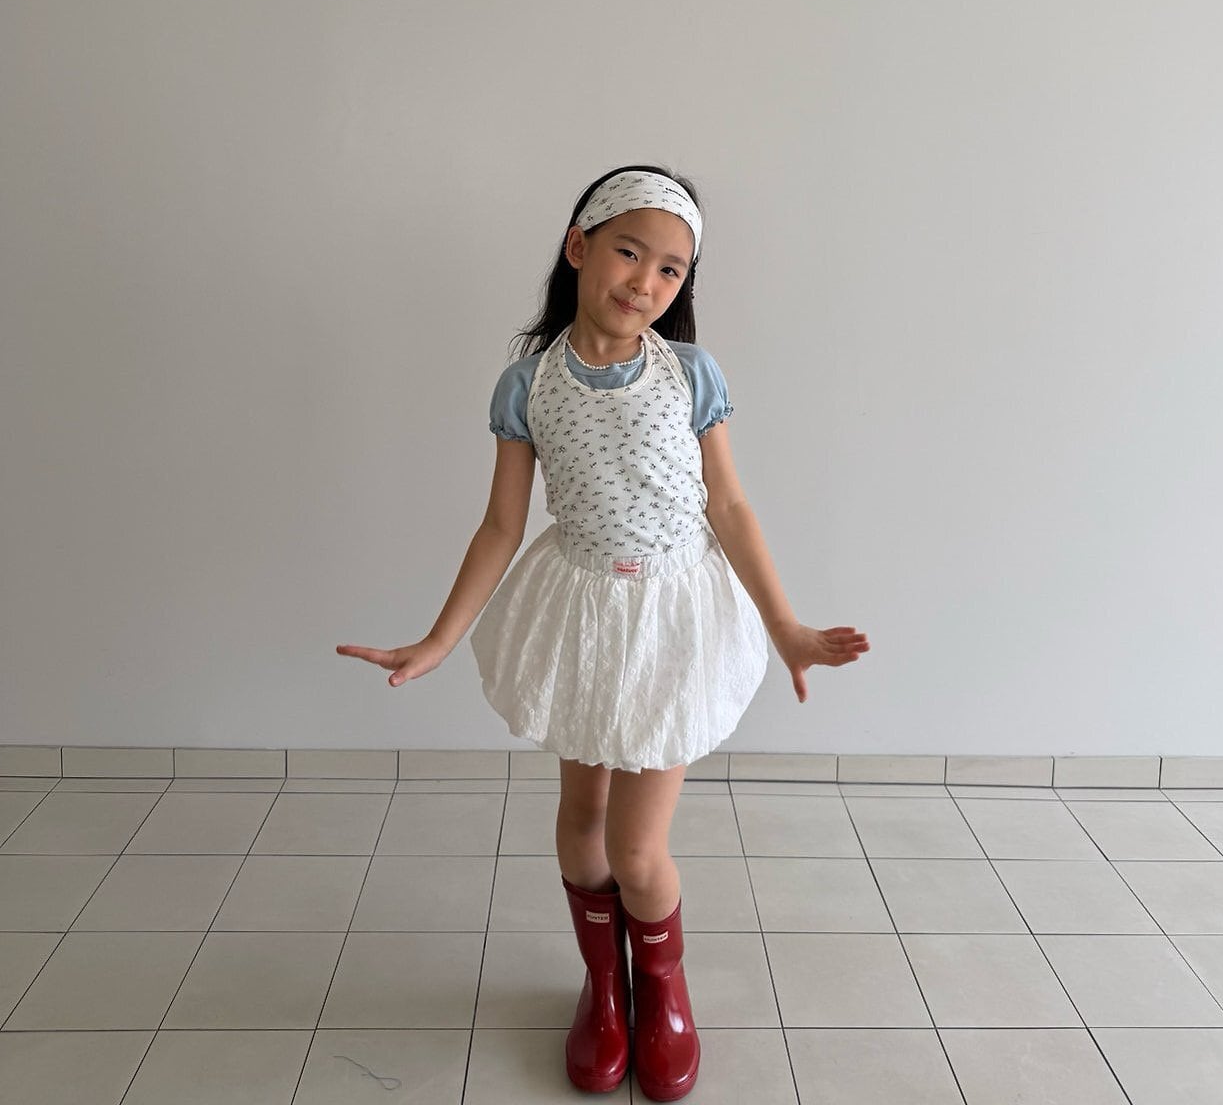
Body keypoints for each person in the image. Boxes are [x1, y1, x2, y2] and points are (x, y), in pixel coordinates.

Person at [337, 164, 870, 1100]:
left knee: (635, 850)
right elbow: (501, 526)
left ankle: (661, 986)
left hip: (673, 620)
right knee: (582, 827)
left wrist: (784, 624)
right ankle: (604, 988)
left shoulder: (691, 373)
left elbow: (729, 506)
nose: (646, 281)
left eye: (671, 269)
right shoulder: (527, 385)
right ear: (580, 247)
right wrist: (439, 638)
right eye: (630, 252)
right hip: (581, 617)